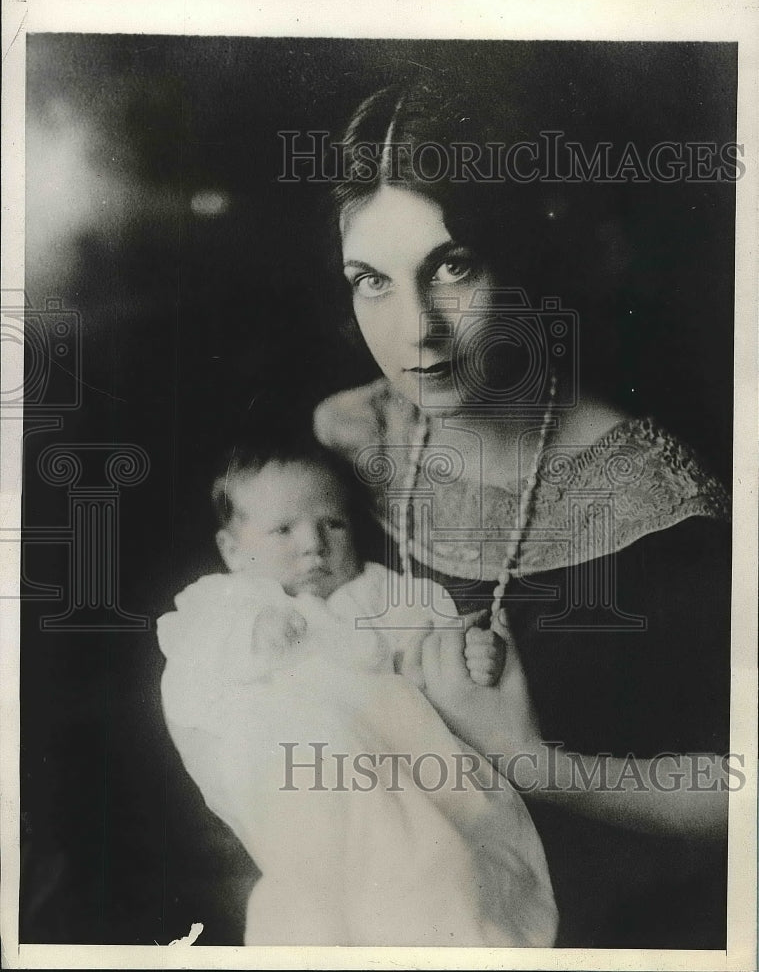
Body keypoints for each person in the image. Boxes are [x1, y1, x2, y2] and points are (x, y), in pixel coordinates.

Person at [314, 77, 732, 948]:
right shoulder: (353, 436)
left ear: (525, 254)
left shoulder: (663, 505)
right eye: (371, 281)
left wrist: (535, 765)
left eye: (452, 267)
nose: (415, 330)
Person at [156, 435, 559, 946]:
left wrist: (471, 654)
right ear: (233, 550)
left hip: (394, 759)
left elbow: (432, 647)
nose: (313, 544)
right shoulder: (230, 598)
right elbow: (189, 644)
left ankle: (441, 922)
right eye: (284, 529)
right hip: (296, 763)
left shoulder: (377, 592)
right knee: (318, 865)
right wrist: (250, 634)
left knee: (431, 855)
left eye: (333, 523)